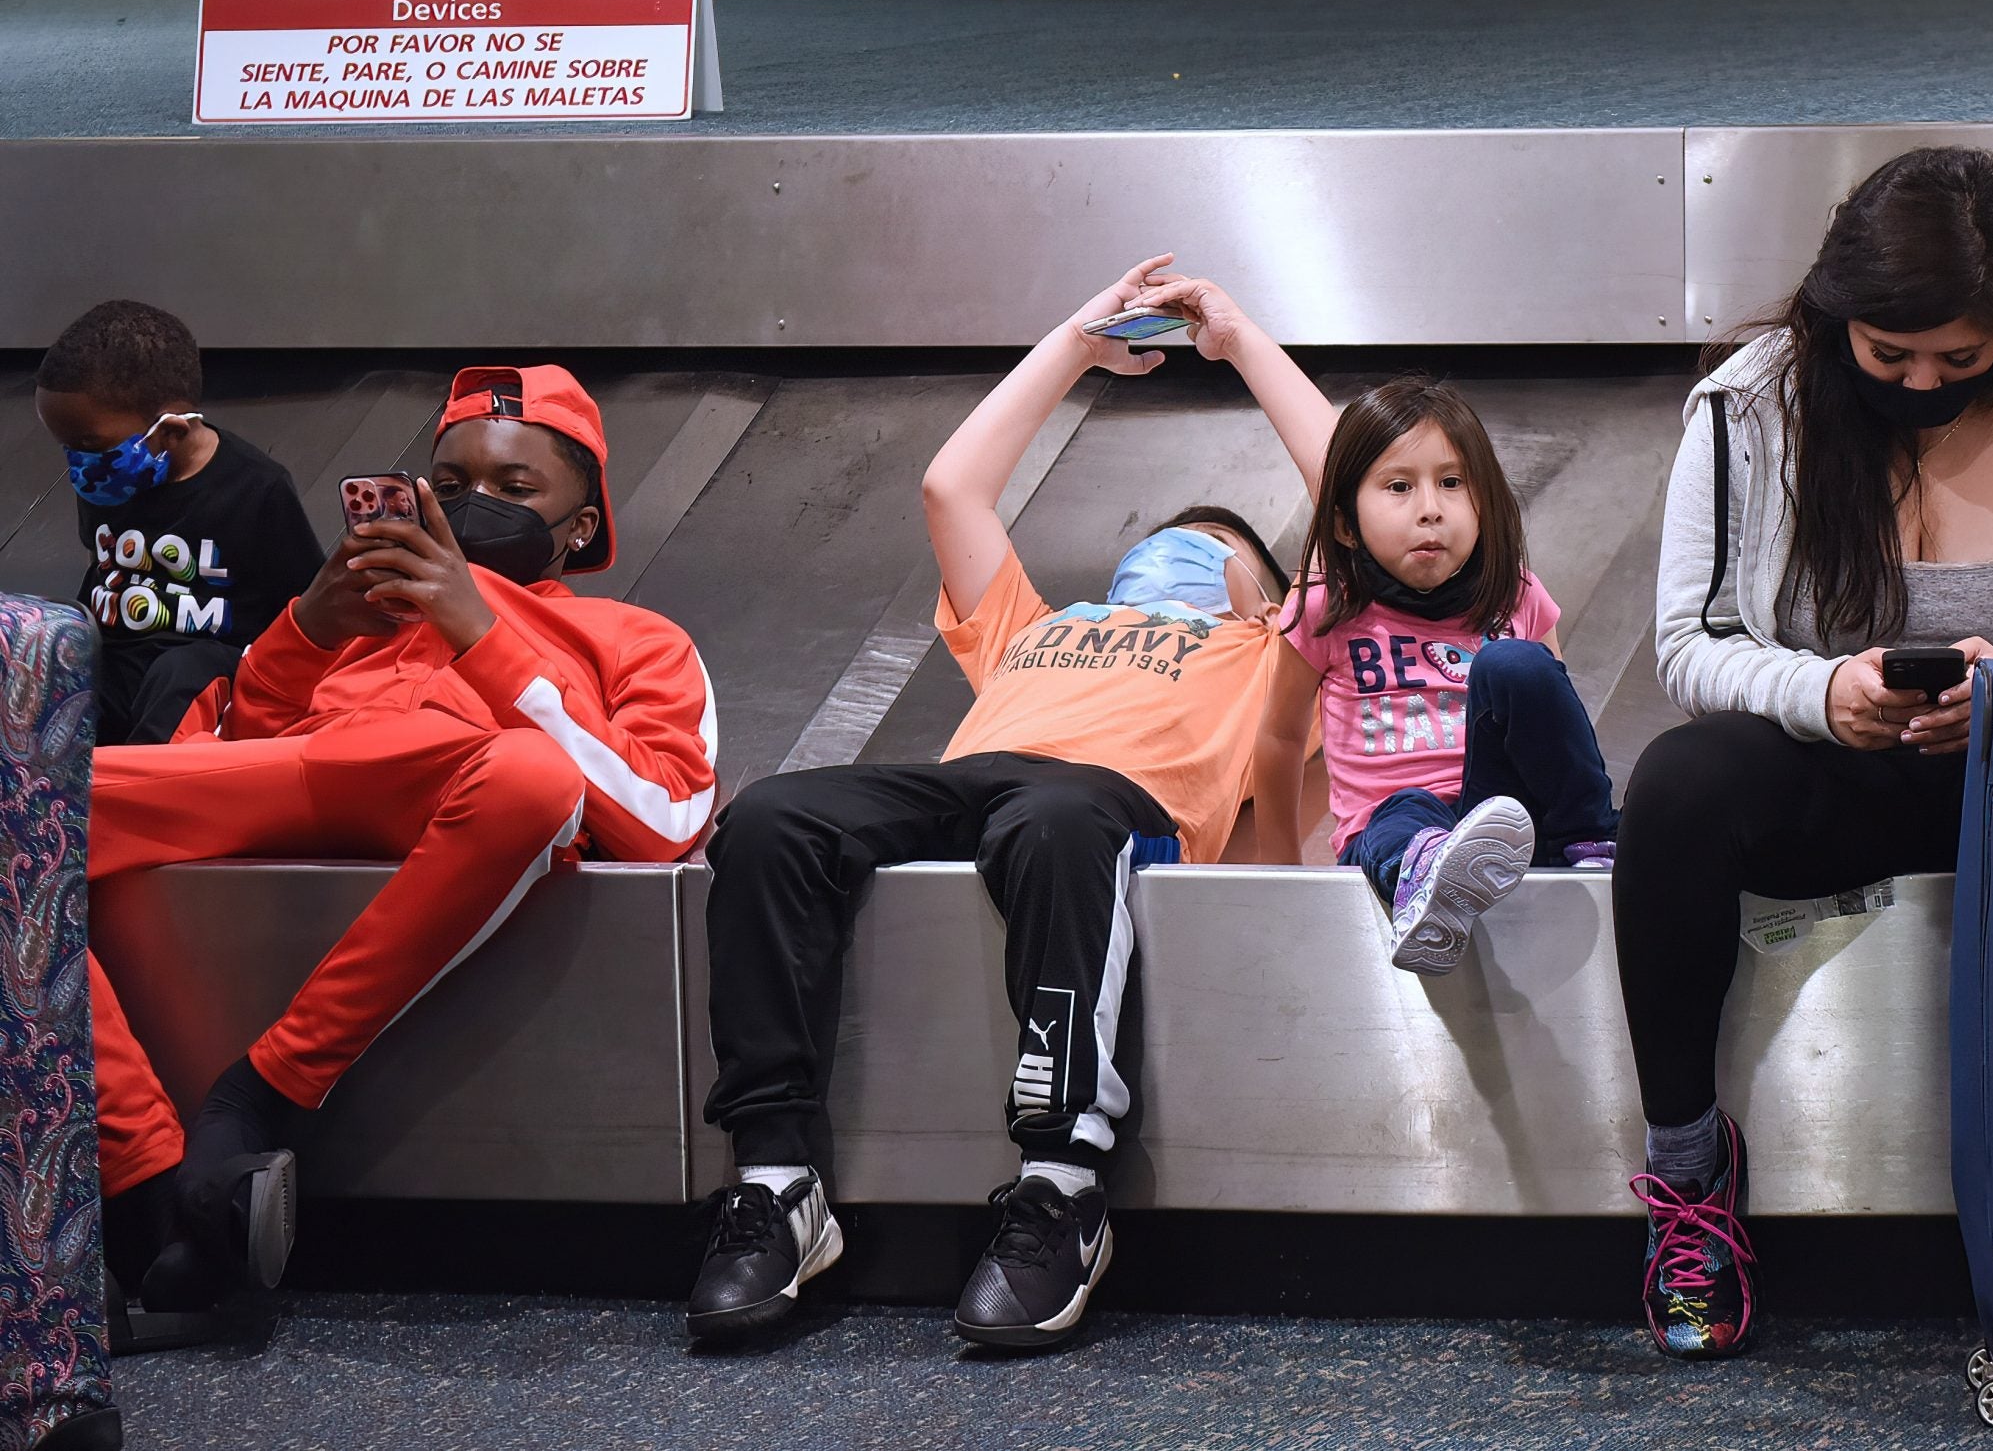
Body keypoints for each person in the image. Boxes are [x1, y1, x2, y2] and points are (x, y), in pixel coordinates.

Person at [689, 255, 1331, 1350]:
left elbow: (1349, 494)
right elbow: (953, 488)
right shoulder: (1036, 626)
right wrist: (1077, 339)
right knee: (772, 817)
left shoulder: (1269, 650)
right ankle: (776, 1178)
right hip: (973, 782)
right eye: (1166, 542)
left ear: (1270, 588)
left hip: (1101, 807)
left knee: (1059, 817)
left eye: (1219, 546)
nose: (1181, 552)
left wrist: (1239, 340)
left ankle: (1060, 1183)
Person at [1612, 146, 1993, 1358]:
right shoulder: (1750, 403)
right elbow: (1688, 643)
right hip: (1838, 772)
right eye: (1889, 356)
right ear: (1837, 318)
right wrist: (1825, 690)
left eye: (1957, 362)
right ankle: (1686, 1176)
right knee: (1675, 788)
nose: (1921, 380)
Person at [86, 365, 718, 1311]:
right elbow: (218, 755)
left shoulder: (639, 637)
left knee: (533, 775)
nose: (473, 506)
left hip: (463, 780)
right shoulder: (356, 618)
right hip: (304, 773)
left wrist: (480, 632)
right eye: (450, 486)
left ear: (579, 529)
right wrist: (305, 628)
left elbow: (664, 818)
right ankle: (143, 1183)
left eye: (515, 490)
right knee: (27, 806)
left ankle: (265, 1089)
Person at [1252, 376, 1617, 974]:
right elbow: (1280, 738)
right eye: (1399, 487)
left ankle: (1592, 848)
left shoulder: (1515, 595)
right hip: (1391, 834)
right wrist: (1280, 873)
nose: (1430, 507)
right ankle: (1430, 883)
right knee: (1402, 811)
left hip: (1512, 823)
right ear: (1346, 525)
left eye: (1452, 483)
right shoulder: (1326, 607)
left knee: (1518, 665)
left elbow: (1558, 723)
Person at [34, 301, 323, 745]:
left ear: (170, 431)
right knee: (29, 640)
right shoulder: (102, 477)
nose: (79, 463)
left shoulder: (255, 487)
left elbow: (303, 603)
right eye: (68, 447)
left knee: (182, 672)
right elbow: (105, 570)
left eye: (90, 444)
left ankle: (140, 792)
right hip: (113, 663)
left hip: (206, 676)